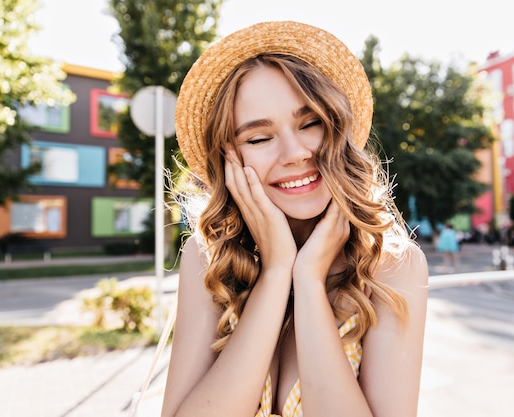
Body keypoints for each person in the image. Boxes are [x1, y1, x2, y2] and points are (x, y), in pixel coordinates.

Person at [162, 21, 428, 417]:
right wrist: (276, 271)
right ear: (229, 159)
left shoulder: (391, 267)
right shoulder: (207, 261)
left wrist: (307, 280)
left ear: (336, 128)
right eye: (259, 138)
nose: (295, 152)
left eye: (310, 123)